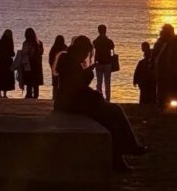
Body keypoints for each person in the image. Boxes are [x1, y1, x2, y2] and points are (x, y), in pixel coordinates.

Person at [55, 35, 146, 173]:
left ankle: (128, 148)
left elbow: (76, 85)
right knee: (109, 120)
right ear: (81, 50)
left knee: (115, 110)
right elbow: (77, 87)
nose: (86, 57)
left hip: (70, 101)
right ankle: (122, 155)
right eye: (86, 53)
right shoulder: (70, 63)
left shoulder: (68, 60)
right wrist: (89, 76)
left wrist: (87, 74)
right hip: (70, 104)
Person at [152, 23, 177, 106]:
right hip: (169, 68)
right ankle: (171, 102)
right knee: (171, 86)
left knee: (161, 86)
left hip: (161, 67)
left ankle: (161, 102)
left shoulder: (160, 42)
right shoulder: (174, 42)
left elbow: (154, 53)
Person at [92, 25, 116, 101]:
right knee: (107, 82)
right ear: (105, 31)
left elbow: (94, 47)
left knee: (99, 82)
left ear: (98, 31)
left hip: (99, 63)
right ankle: (108, 99)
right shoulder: (109, 41)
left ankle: (99, 99)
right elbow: (112, 47)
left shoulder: (96, 41)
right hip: (108, 63)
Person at [20, 27, 44, 99]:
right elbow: (42, 52)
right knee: (36, 81)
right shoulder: (39, 43)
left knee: (29, 80)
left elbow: (24, 53)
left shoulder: (26, 43)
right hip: (37, 64)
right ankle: (36, 95)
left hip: (28, 63)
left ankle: (29, 94)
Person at [0, 29, 15, 99]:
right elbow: (12, 53)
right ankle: (4, 94)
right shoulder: (10, 42)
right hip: (7, 62)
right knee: (6, 78)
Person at [48, 35, 67, 101]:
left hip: (55, 68)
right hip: (64, 69)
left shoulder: (53, 48)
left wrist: (52, 67)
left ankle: (55, 97)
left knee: (55, 84)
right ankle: (62, 97)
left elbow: (50, 59)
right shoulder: (65, 47)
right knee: (63, 83)